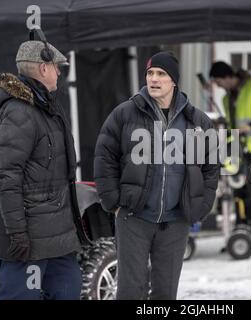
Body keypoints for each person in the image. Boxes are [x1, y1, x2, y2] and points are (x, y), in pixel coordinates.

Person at [94, 51, 220, 300]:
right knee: (130, 291)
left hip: (175, 221)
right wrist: (114, 203)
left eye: (161, 74)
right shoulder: (124, 114)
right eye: (150, 73)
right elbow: (103, 158)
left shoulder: (196, 121)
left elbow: (211, 167)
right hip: (134, 217)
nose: (153, 79)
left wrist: (200, 207)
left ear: (174, 80)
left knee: (165, 293)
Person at [0, 32, 88, 299]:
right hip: (29, 239)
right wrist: (17, 232)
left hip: (57, 235)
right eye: (56, 67)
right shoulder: (19, 111)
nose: (59, 73)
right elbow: (5, 175)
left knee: (69, 291)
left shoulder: (46, 106)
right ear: (43, 68)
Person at [209, 61, 251, 245]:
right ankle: (240, 232)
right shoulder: (227, 99)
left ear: (227, 77)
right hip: (241, 151)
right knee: (239, 190)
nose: (218, 86)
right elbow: (233, 126)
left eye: (218, 82)